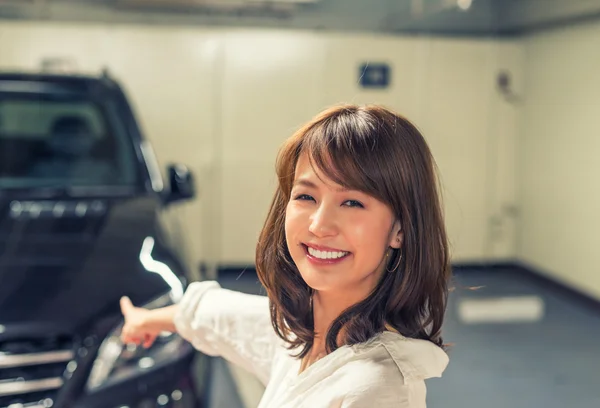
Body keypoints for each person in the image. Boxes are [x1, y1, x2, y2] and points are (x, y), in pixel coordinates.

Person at [120, 104, 451, 407]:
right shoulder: (305, 333)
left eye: (352, 203)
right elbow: (220, 316)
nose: (319, 225)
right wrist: (147, 320)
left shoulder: (377, 391)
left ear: (401, 229)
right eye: (306, 196)